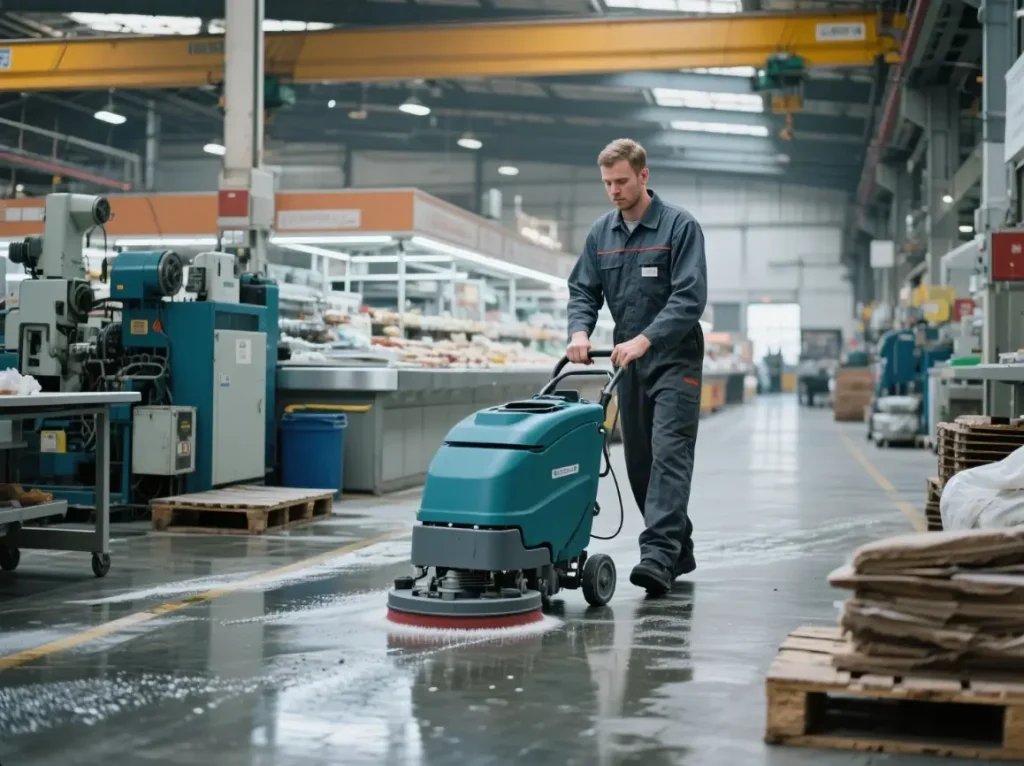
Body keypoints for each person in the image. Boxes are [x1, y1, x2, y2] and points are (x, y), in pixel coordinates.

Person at [565, 138, 708, 596]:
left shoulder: (679, 226)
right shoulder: (600, 235)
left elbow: (689, 297)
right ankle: (678, 548)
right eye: (607, 183)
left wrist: (647, 338)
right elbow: (583, 291)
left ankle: (658, 557)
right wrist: (580, 332)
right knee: (641, 462)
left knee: (669, 454)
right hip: (629, 364)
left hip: (674, 359)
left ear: (644, 176)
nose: (614, 190)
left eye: (622, 181)